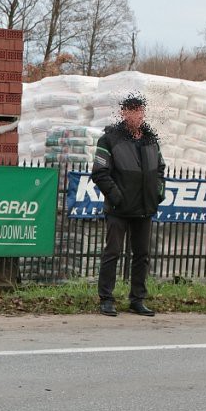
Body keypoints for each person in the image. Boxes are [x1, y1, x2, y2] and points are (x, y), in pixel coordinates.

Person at [90, 94, 165, 317]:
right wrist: (117, 197)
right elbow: (100, 173)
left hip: (145, 207)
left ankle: (137, 299)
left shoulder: (151, 138)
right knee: (112, 253)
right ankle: (106, 299)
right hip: (118, 209)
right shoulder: (110, 139)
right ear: (123, 113)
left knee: (142, 255)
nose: (137, 115)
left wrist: (157, 193)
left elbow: (160, 169)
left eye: (140, 111)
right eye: (132, 111)